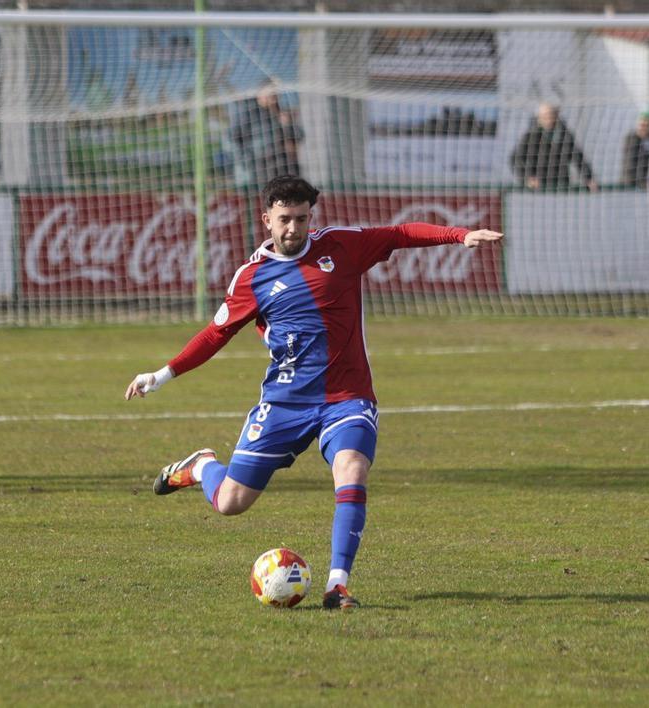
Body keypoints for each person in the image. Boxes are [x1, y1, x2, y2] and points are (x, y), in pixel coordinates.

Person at [124, 175, 503, 608]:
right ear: (266, 219)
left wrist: (459, 235)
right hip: (285, 402)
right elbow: (215, 335)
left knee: (352, 470)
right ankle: (200, 466)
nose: (293, 229)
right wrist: (162, 374)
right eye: (284, 219)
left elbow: (398, 234)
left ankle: (337, 585)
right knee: (231, 502)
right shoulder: (252, 277)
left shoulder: (341, 246)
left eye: (301, 219)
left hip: (347, 395)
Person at [510, 103, 599, 192]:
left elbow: (578, 157)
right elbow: (516, 159)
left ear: (556, 115)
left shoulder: (565, 135)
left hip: (561, 183)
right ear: (539, 118)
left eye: (550, 115)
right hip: (538, 186)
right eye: (544, 116)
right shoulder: (531, 136)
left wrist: (588, 178)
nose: (548, 119)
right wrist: (528, 178)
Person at [231, 81, 303, 186]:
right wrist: (246, 158)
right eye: (271, 93)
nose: (274, 97)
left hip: (284, 163)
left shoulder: (280, 113)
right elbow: (234, 137)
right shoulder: (249, 112)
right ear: (261, 93)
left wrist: (287, 125)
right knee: (265, 195)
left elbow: (299, 136)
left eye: (276, 94)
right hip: (260, 165)